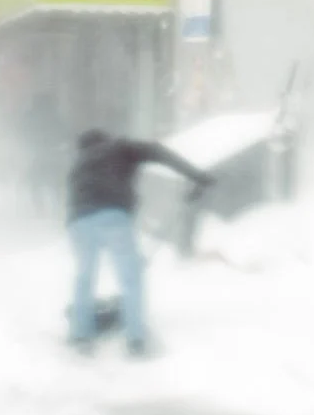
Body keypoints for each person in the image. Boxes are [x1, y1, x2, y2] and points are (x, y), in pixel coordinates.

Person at [66, 129, 213, 356]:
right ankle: (135, 339)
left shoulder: (79, 164)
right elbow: (158, 151)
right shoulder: (120, 147)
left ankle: (80, 335)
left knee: (84, 276)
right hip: (113, 215)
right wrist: (196, 175)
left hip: (79, 222)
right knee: (131, 278)